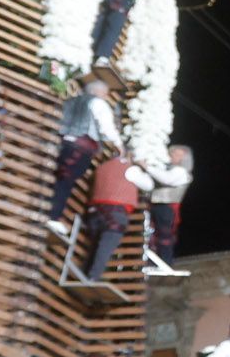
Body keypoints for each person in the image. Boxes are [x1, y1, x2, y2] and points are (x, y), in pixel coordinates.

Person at [45, 78, 125, 236]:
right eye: (105, 93)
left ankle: (46, 210)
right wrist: (118, 144)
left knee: (56, 177)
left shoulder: (70, 101)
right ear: (98, 92)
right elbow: (106, 127)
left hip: (62, 143)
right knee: (66, 181)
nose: (105, 97)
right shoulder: (98, 103)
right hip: (81, 146)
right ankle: (52, 216)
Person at [80, 156, 153, 283]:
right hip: (115, 213)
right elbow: (148, 185)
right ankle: (92, 278)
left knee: (93, 247)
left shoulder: (102, 167)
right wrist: (144, 168)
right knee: (105, 248)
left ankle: (84, 275)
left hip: (95, 212)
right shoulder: (131, 170)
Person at [143, 144, 193, 266]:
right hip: (155, 205)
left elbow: (166, 179)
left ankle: (165, 262)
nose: (173, 155)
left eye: (177, 154)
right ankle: (152, 261)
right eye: (173, 152)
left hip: (166, 207)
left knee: (164, 235)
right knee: (151, 235)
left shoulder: (181, 172)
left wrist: (146, 166)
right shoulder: (167, 169)